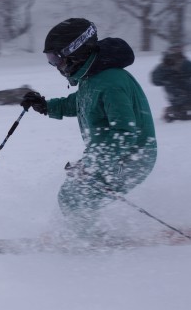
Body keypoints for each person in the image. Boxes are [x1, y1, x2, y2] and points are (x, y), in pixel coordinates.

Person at [20, 18, 157, 236]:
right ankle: (88, 235)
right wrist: (46, 106)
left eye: (56, 58)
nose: (55, 65)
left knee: (75, 198)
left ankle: (91, 243)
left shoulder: (111, 82)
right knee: (73, 196)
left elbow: (124, 133)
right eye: (50, 59)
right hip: (113, 154)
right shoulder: (92, 78)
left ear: (75, 52)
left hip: (132, 157)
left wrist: (92, 162)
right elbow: (82, 103)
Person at [150, 45, 191, 122]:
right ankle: (177, 110)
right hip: (175, 92)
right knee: (180, 105)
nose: (176, 51)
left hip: (184, 89)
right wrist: (167, 78)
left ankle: (179, 110)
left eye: (178, 49)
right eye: (174, 49)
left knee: (183, 104)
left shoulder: (185, 62)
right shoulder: (164, 65)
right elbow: (156, 80)